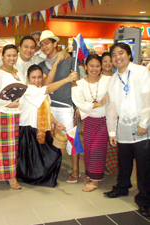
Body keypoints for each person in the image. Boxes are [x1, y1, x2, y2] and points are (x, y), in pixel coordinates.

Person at [104, 43, 150, 217]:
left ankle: (145, 200)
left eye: (121, 53)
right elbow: (112, 108)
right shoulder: (114, 80)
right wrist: (112, 132)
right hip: (123, 126)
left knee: (144, 166)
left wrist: (144, 123)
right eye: (114, 55)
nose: (117, 57)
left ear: (129, 55)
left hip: (142, 125)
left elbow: (148, 99)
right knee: (123, 162)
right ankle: (122, 187)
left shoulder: (140, 72)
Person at [17, 64, 78, 187]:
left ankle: (37, 177)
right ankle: (31, 177)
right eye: (33, 77)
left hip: (40, 128)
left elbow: (47, 111)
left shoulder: (41, 91)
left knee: (51, 154)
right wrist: (67, 79)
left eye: (39, 77)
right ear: (28, 77)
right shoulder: (29, 89)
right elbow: (49, 88)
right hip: (29, 128)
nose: (36, 80)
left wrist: (56, 123)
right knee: (33, 158)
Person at [38, 30, 81, 183]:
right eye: (42, 44)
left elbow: (76, 84)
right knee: (50, 140)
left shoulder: (69, 61)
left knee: (71, 137)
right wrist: (56, 62)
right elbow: (45, 85)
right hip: (48, 106)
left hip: (65, 106)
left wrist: (77, 106)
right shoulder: (41, 65)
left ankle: (76, 170)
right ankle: (51, 169)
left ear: (55, 43)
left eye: (47, 43)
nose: (44, 47)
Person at [0, 44, 25, 190]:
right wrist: (8, 105)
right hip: (3, 115)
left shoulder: (18, 72)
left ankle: (9, 174)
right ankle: (10, 177)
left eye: (14, 55)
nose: (12, 58)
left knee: (14, 147)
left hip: (17, 114)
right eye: (8, 55)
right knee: (6, 147)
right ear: (3, 56)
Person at [72, 54, 111, 192]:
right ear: (86, 67)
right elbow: (78, 101)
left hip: (105, 119)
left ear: (101, 67)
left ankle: (95, 181)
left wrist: (93, 105)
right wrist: (98, 104)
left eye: (97, 66)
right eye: (91, 66)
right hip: (88, 119)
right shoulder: (80, 83)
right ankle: (90, 174)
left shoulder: (109, 80)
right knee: (88, 149)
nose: (94, 69)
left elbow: (112, 99)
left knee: (96, 149)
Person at [100, 52, 118, 176]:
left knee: (113, 143)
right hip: (100, 115)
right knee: (101, 144)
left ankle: (112, 167)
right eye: (105, 61)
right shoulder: (96, 78)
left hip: (115, 115)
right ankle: (101, 167)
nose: (108, 63)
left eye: (110, 61)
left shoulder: (117, 77)